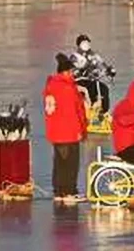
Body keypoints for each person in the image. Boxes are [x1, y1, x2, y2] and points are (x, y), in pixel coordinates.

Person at [43, 53, 88, 202]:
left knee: (59, 163)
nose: (73, 75)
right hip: (69, 132)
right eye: (71, 72)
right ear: (66, 72)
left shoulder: (50, 87)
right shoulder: (68, 88)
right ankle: (69, 192)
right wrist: (82, 130)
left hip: (55, 133)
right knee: (71, 163)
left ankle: (59, 192)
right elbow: (76, 111)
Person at [70, 34, 116, 115]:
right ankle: (84, 113)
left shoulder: (94, 55)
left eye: (87, 42)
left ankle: (103, 113)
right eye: (84, 42)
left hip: (91, 81)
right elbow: (76, 68)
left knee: (104, 89)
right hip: (80, 81)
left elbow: (102, 64)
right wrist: (85, 69)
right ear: (79, 44)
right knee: (86, 92)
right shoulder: (75, 56)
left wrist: (109, 70)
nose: (86, 44)